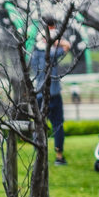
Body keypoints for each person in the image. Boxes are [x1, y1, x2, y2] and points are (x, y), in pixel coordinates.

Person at [30, 15, 71, 165]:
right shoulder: (53, 53)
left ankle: (39, 156)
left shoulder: (34, 55)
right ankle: (59, 156)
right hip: (54, 93)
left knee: (39, 125)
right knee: (58, 125)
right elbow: (67, 46)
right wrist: (58, 43)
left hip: (39, 93)